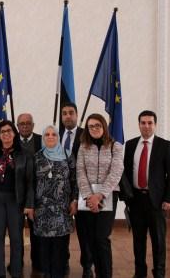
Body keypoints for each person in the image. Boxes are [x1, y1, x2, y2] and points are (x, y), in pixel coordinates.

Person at [124, 110, 170, 278]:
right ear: (139, 124)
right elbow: (125, 171)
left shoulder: (165, 145)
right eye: (143, 123)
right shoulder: (131, 144)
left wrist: (169, 198)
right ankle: (140, 273)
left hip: (157, 201)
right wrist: (126, 196)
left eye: (150, 123)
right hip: (136, 200)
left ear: (155, 125)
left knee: (158, 241)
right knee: (138, 241)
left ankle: (159, 273)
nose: (146, 126)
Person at [0, 120, 34, 278]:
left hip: (16, 201)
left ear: (14, 134)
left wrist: (29, 204)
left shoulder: (24, 155)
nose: (6, 134)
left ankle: (16, 272)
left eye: (9, 131)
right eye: (3, 132)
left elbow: (30, 183)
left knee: (16, 238)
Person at [76, 113, 124, 278]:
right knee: (90, 239)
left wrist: (100, 195)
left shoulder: (115, 146)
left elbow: (116, 172)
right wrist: (90, 196)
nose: (94, 129)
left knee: (102, 238)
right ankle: (96, 272)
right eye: (90, 126)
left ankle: (105, 274)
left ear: (104, 126)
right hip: (87, 197)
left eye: (97, 125)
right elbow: (80, 172)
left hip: (108, 195)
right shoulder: (83, 146)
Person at [33, 125, 78, 278]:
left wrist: (74, 200)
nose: (50, 137)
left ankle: (58, 274)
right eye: (47, 134)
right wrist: (30, 206)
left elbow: (74, 180)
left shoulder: (68, 155)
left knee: (60, 248)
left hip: (62, 210)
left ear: (58, 137)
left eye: (54, 134)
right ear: (43, 138)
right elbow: (31, 183)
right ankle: (47, 273)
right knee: (44, 248)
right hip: (42, 210)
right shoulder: (37, 157)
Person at [60, 102, 93, 277]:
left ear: (77, 115)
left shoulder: (86, 135)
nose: (67, 116)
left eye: (71, 113)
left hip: (82, 190)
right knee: (62, 230)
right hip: (59, 192)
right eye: (64, 113)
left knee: (84, 231)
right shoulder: (55, 135)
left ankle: (87, 265)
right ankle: (63, 261)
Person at [16, 113, 42, 271]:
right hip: (16, 194)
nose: (25, 126)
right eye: (21, 123)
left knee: (36, 231)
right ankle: (17, 261)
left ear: (33, 125)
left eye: (28, 123)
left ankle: (37, 262)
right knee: (16, 232)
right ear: (17, 126)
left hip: (37, 193)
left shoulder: (41, 140)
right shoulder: (10, 141)